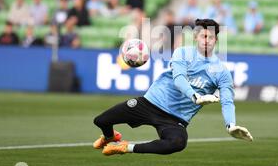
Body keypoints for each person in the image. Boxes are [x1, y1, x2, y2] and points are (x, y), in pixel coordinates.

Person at [92, 19, 253, 156]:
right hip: (149, 104)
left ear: (216, 41)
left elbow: (227, 101)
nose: (207, 40)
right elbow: (179, 79)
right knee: (101, 120)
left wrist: (230, 125)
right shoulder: (182, 53)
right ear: (196, 37)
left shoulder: (222, 72)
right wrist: (195, 96)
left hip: (175, 120)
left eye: (211, 37)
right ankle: (110, 137)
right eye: (204, 36)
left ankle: (125, 147)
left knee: (178, 143)